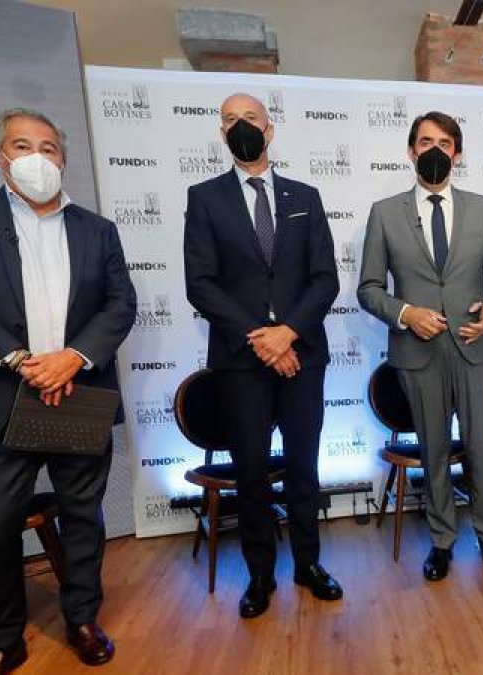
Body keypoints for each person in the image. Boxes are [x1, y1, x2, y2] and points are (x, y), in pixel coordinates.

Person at [0, 108, 136, 674]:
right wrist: (19, 359)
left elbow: (121, 304)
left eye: (48, 147)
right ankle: (5, 637)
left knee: (83, 516)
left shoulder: (98, 230)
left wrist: (72, 358)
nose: (37, 157)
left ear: (63, 159)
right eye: (22, 146)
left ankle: (83, 620)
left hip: (77, 390)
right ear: (1, 157)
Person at [184, 93, 341, 618]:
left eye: (250, 118)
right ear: (221, 133)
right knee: (250, 472)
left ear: (269, 130)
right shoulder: (204, 198)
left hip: (302, 355)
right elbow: (201, 284)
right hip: (241, 360)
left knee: (303, 466)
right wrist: (263, 339)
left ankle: (308, 564)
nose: (241, 126)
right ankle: (258, 575)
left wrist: (288, 333)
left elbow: (325, 278)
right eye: (230, 119)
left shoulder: (305, 196)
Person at [357, 111, 483, 583]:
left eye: (444, 143)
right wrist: (407, 313)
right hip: (417, 353)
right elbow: (369, 289)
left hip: (474, 349)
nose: (435, 150)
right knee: (432, 452)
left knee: (482, 449)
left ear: (457, 153)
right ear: (411, 151)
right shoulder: (384, 213)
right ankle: (442, 541)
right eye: (426, 141)